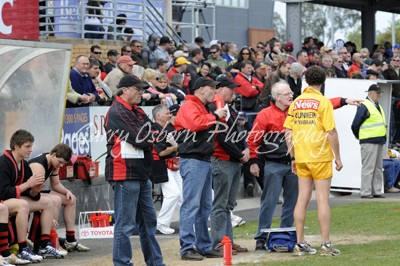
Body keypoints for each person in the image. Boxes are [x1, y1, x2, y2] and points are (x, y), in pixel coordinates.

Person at [104, 75, 165, 266]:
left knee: (148, 222)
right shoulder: (117, 111)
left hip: (140, 172)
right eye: (137, 89)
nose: (141, 93)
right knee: (125, 224)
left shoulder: (136, 110)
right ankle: (122, 263)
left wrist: (151, 136)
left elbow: (155, 132)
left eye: (142, 90)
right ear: (124, 90)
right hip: (124, 173)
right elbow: (142, 137)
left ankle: (155, 262)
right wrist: (151, 137)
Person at [284, 66, 343, 256]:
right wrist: (338, 157)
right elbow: (331, 132)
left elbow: (287, 133)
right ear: (322, 81)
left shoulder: (296, 102)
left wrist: (293, 156)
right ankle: (325, 245)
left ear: (306, 81)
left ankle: (300, 243)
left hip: (301, 156)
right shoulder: (323, 102)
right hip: (320, 156)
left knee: (302, 199)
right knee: (322, 200)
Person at [174, 77, 227, 261]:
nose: (215, 91)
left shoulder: (201, 106)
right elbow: (196, 124)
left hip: (202, 159)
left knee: (204, 207)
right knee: (191, 205)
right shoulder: (189, 105)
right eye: (212, 88)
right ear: (201, 89)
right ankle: (187, 247)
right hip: (193, 159)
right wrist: (216, 116)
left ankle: (203, 245)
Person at [248, 81, 298, 251]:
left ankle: (285, 234)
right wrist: (253, 161)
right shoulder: (265, 115)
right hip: (273, 163)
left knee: (291, 202)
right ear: (277, 97)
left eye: (291, 93)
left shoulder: (297, 113)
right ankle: (261, 237)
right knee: (269, 202)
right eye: (287, 94)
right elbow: (253, 139)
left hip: (294, 164)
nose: (291, 95)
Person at [0, 129, 63, 262]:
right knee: (22, 205)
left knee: (48, 202)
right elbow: (3, 192)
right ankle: (22, 248)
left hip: (13, 199)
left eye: (31, 146)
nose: (30, 150)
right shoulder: (3, 163)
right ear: (16, 146)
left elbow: (30, 193)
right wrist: (28, 184)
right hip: (3, 201)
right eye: (27, 146)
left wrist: (35, 189)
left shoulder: (23, 164)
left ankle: (43, 244)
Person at [209, 76, 249, 254]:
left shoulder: (228, 108)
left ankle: (227, 242)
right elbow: (221, 136)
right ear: (219, 89)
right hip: (222, 160)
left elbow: (239, 131)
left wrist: (246, 148)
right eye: (230, 88)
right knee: (220, 205)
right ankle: (219, 243)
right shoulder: (215, 107)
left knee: (227, 206)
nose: (234, 91)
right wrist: (240, 153)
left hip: (231, 160)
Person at [28, 144, 90, 253]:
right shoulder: (39, 165)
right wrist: (47, 210)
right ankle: (52, 240)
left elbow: (55, 184)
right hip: (28, 193)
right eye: (60, 162)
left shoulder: (53, 163)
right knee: (55, 200)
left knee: (71, 199)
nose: (61, 166)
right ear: (53, 155)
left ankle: (70, 240)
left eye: (63, 164)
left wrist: (67, 191)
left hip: (36, 191)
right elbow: (33, 192)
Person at [151, 105, 182, 235]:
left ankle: (190, 223)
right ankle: (161, 223)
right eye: (167, 113)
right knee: (173, 194)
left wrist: (175, 147)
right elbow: (161, 152)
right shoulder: (154, 129)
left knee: (182, 196)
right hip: (161, 165)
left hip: (172, 164)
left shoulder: (167, 128)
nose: (170, 115)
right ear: (158, 116)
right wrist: (175, 147)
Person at [351, 84, 386, 199]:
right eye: (378, 93)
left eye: (380, 93)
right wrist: (359, 136)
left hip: (378, 140)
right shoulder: (365, 106)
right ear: (370, 93)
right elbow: (355, 124)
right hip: (369, 140)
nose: (380, 95)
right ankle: (366, 191)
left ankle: (376, 191)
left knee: (377, 168)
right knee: (369, 167)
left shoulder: (376, 105)